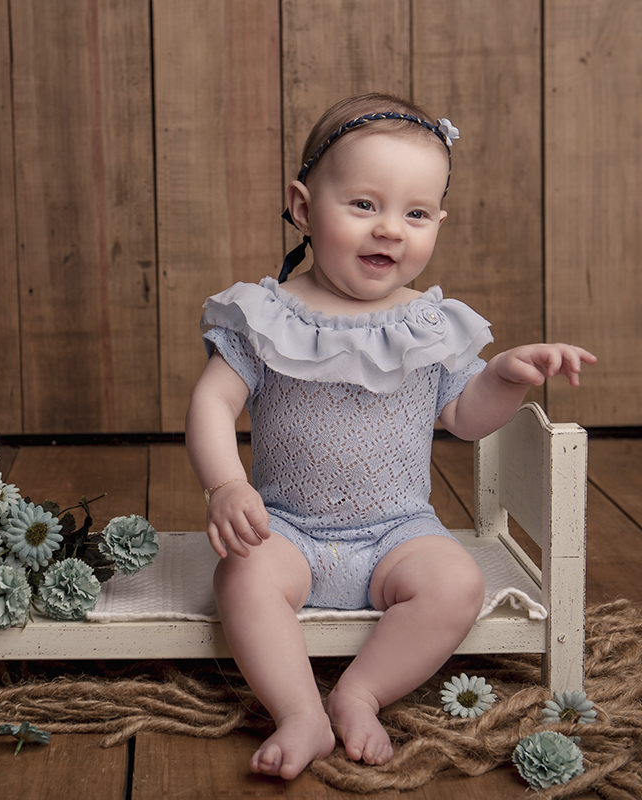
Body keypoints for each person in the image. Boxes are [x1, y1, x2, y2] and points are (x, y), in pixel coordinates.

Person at [185, 93, 596, 780]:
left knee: (456, 584)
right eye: (364, 205)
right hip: (287, 529)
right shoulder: (265, 317)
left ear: (438, 221)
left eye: (415, 213)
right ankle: (299, 712)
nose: (390, 231)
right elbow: (210, 404)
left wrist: (506, 375)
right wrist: (225, 485)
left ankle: (361, 691)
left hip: (397, 533)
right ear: (302, 206)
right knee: (242, 577)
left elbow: (464, 416)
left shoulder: (430, 327)